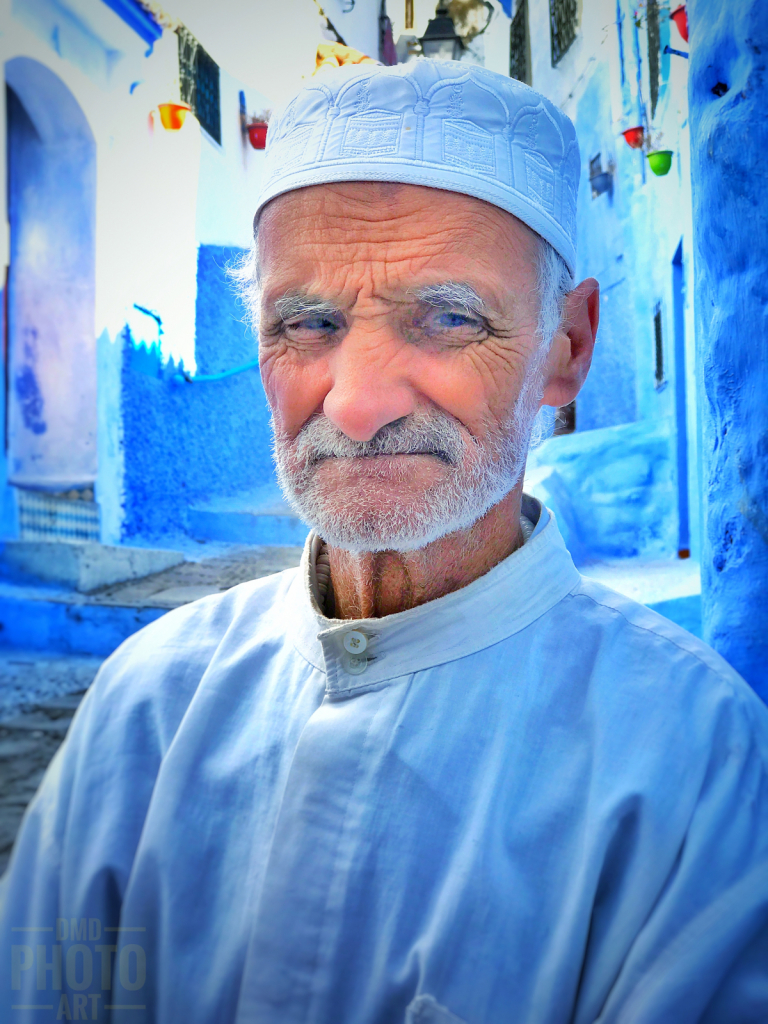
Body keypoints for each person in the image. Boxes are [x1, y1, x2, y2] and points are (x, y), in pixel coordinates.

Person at [2, 60, 768, 1024]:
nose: (357, 405)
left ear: (566, 348)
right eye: (306, 322)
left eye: (448, 319)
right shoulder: (146, 704)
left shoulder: (694, 759)